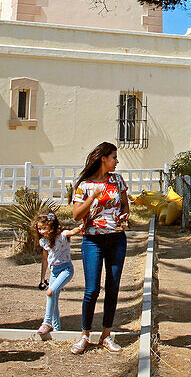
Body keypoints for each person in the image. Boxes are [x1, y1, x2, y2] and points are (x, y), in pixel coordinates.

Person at [70, 142, 130, 354]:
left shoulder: (117, 180)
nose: (117, 161)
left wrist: (124, 214)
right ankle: (85, 334)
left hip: (116, 239)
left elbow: (124, 204)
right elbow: (76, 215)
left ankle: (106, 335)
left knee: (112, 288)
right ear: (103, 158)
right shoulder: (84, 185)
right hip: (92, 241)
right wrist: (93, 196)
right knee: (92, 289)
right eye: (114, 157)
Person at [35, 212, 82, 335]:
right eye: (39, 228)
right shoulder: (44, 241)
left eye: (44, 228)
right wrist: (42, 278)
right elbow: (45, 259)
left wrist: (82, 226)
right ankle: (56, 329)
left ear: (52, 227)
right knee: (53, 297)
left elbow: (73, 232)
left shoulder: (62, 236)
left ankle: (46, 322)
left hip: (66, 269)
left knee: (50, 292)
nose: (41, 231)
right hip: (54, 271)